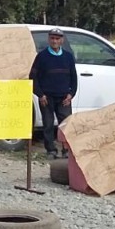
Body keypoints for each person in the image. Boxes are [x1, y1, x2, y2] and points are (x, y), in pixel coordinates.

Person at [29, 27, 77, 158]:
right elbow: (33, 77)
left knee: (66, 125)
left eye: (57, 39)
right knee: (48, 125)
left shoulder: (68, 57)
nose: (54, 41)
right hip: (47, 97)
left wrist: (71, 94)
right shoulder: (41, 57)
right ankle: (51, 150)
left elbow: (74, 78)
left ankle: (67, 150)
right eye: (52, 38)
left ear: (62, 40)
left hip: (64, 98)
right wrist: (40, 94)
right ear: (49, 39)